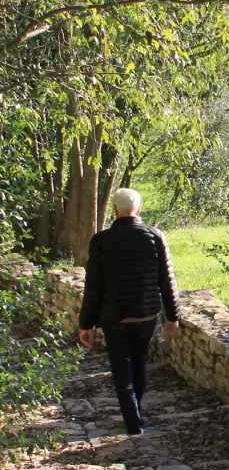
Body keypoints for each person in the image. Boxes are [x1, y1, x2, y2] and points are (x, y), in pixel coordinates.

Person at [78, 187, 180, 436]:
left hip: (114, 316)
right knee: (139, 363)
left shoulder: (101, 240)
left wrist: (85, 324)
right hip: (146, 314)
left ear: (115, 210)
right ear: (139, 209)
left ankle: (134, 422)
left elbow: (93, 286)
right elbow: (167, 279)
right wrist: (172, 315)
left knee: (122, 370)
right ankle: (136, 415)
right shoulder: (155, 236)